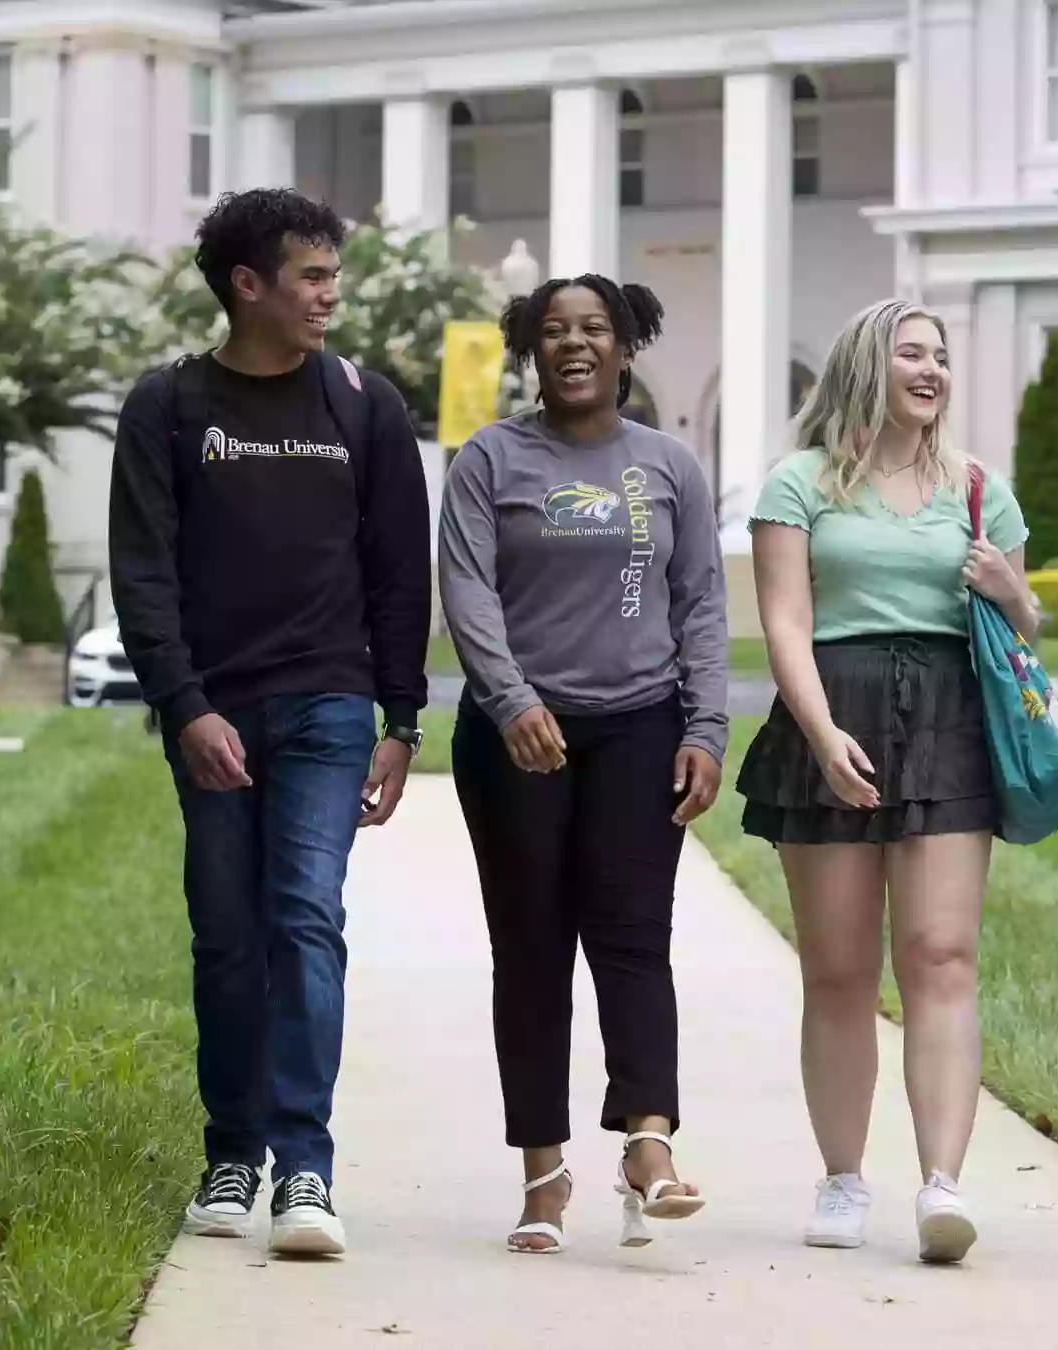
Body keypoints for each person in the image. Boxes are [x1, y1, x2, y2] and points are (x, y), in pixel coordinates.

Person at [109, 188, 431, 1258]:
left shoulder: (362, 404)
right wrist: (183, 706)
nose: (330, 295)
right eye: (311, 277)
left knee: (304, 915)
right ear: (247, 286)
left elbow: (397, 568)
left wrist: (403, 719)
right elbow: (143, 571)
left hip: (331, 703)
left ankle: (304, 1167)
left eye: (333, 276)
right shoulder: (168, 406)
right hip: (215, 710)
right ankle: (232, 1150)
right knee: (226, 935)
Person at [738, 298, 1037, 1264]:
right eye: (913, 353)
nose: (932, 370)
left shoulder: (979, 486)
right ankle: (842, 1178)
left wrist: (1010, 590)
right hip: (834, 706)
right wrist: (823, 733)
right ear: (869, 363)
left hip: (949, 718)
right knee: (838, 970)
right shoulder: (800, 482)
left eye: (941, 357)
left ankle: (943, 1185)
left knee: (941, 956)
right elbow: (784, 618)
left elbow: (1023, 631)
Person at [439, 274, 729, 1255]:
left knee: (634, 941)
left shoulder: (666, 467)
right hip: (516, 739)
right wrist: (511, 698)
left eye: (595, 329)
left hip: (639, 730)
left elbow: (698, 602)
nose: (575, 344)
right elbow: (468, 589)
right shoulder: (489, 459)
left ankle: (648, 1143)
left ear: (626, 347)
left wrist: (707, 728)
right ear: (530, 348)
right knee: (530, 952)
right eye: (555, 330)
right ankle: (543, 1172)